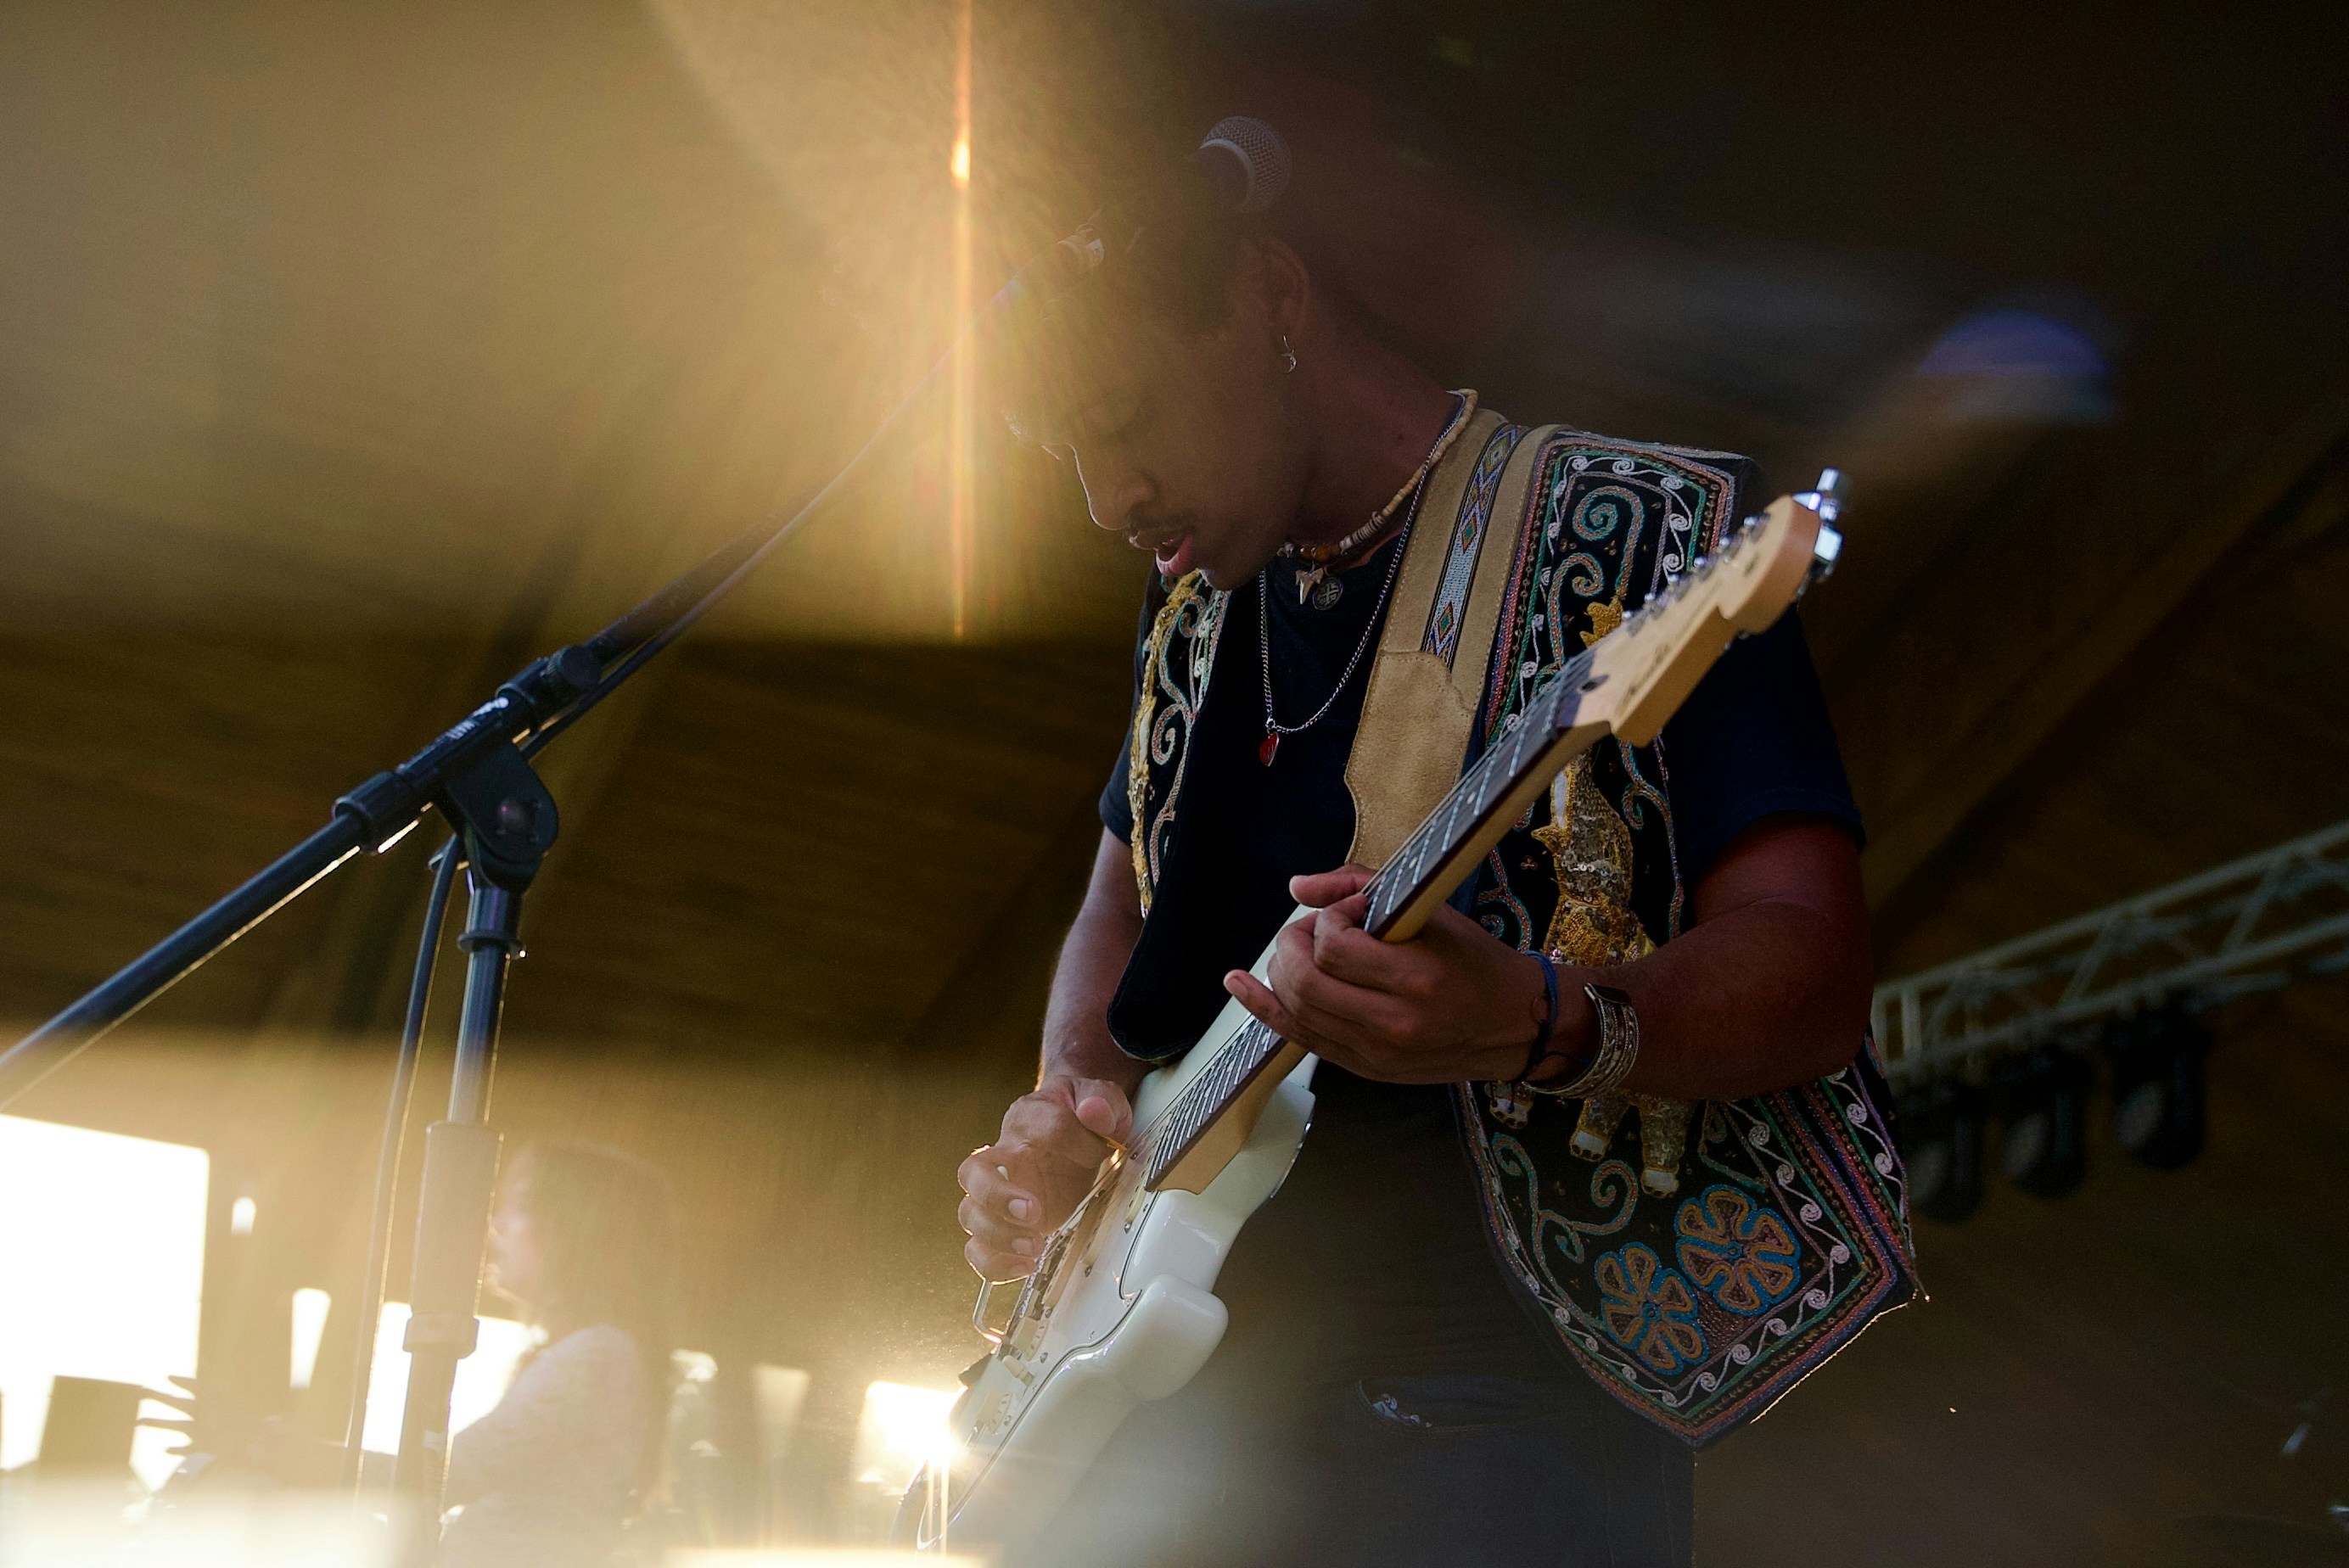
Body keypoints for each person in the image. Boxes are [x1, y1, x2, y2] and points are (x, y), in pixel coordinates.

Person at [954, 120, 1913, 1566]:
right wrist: (1071, 1097)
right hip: (1179, 1428)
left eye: (1128, 416)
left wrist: (1534, 1021)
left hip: (1495, 1414)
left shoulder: (1645, 536)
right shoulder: (1196, 609)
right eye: (1070, 450)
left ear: (1272, 299)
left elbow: (1812, 965)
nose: (1107, 498)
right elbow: (1117, 886)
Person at [439, 1140, 678, 1568]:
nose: (498, 1223)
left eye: (524, 1204)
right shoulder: (596, 1352)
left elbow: (449, 1474)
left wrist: (303, 1459)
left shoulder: (599, 1353)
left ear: (581, 1228)